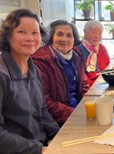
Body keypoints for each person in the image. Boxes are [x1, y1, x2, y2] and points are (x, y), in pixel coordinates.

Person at [0, 9, 60, 154]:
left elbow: (42, 112)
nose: (30, 38)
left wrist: (60, 136)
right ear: (7, 36)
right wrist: (40, 150)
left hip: (40, 144)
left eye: (35, 32)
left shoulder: (34, 70)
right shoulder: (2, 74)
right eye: (22, 32)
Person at [32, 20, 89, 126]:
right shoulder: (40, 60)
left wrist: (88, 104)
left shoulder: (77, 55)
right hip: (58, 120)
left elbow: (83, 84)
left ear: (74, 38)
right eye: (59, 34)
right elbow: (45, 102)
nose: (64, 39)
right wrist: (76, 114)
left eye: (69, 35)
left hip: (79, 112)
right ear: (51, 37)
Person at [77, 20, 110, 87]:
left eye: (99, 33)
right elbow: (79, 79)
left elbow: (107, 70)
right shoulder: (77, 51)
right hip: (87, 88)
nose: (97, 36)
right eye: (94, 32)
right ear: (85, 32)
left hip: (103, 84)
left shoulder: (102, 48)